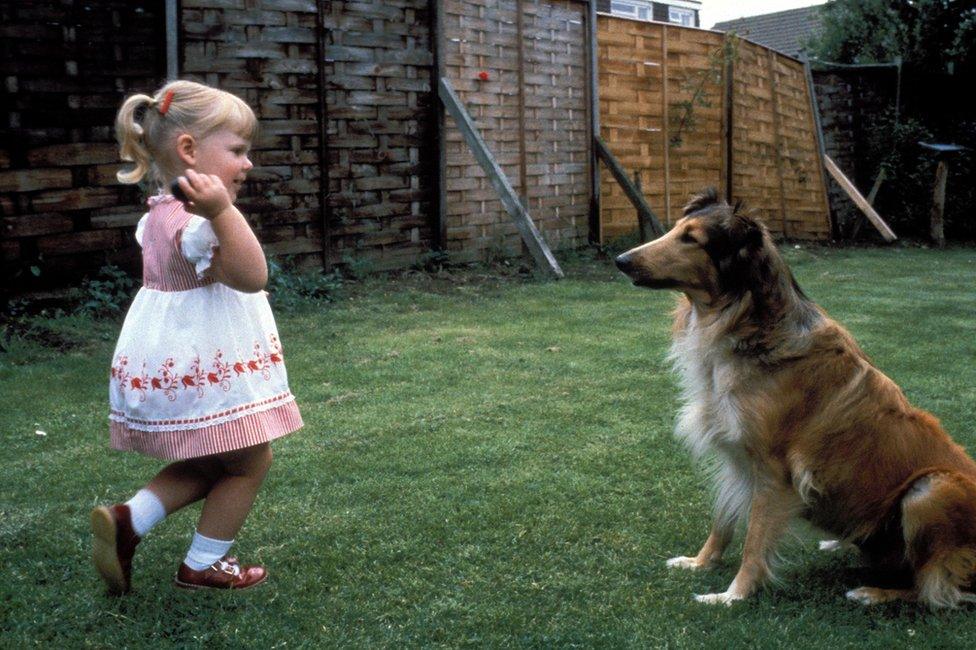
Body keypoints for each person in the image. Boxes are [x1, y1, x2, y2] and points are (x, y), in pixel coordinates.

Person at [91, 80, 302, 594]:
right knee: (252, 460)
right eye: (237, 150)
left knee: (218, 457)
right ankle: (205, 563)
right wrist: (224, 213)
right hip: (206, 364)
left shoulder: (158, 213)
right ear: (189, 150)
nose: (247, 163)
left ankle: (129, 520)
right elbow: (254, 276)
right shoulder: (199, 221)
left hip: (173, 360)